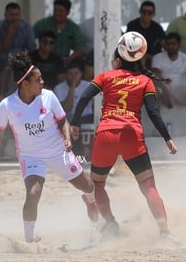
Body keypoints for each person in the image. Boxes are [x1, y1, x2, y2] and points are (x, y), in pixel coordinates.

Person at [70, 36, 179, 242]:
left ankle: (110, 223)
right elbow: (154, 113)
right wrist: (167, 138)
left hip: (106, 134)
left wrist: (74, 123)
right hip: (132, 135)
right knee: (148, 187)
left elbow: (84, 97)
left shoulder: (105, 76)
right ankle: (165, 232)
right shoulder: (145, 81)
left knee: (98, 185)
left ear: (118, 59)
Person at [0, 51, 98, 243]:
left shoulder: (48, 97)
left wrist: (67, 139)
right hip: (31, 156)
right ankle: (29, 240)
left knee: (88, 186)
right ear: (24, 84)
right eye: (38, 79)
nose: (42, 82)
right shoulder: (7, 105)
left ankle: (90, 203)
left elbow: (63, 120)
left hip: (58, 152)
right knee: (33, 193)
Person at [33, 0, 84, 66]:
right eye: (55, 10)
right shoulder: (43, 24)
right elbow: (30, 38)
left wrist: (68, 59)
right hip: (43, 62)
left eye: (61, 11)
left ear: (68, 12)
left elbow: (80, 49)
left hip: (64, 62)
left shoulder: (73, 28)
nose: (57, 13)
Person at [126, 0, 165, 68]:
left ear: (153, 14)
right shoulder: (132, 26)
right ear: (140, 12)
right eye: (144, 12)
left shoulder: (158, 28)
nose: (146, 15)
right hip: (135, 58)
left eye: (149, 13)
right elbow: (127, 44)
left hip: (154, 59)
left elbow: (164, 45)